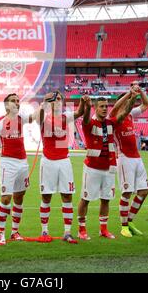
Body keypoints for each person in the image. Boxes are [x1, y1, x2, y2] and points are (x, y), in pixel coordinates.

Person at [37, 91, 87, 243]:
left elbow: (80, 112)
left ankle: (67, 232)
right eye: (54, 99)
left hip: (64, 160)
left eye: (59, 99)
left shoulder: (66, 117)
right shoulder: (44, 116)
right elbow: (39, 114)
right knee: (46, 197)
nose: (57, 101)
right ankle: (44, 231)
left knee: (67, 196)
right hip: (48, 161)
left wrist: (83, 101)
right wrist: (46, 101)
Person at [0, 93, 36, 245]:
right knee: (6, 198)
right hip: (7, 163)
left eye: (18, 101)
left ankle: (15, 232)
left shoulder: (21, 119)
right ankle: (1, 232)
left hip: (23, 162)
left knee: (19, 197)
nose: (16, 103)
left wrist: (44, 104)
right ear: (6, 105)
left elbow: (34, 117)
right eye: (13, 101)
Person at [109, 82, 148, 237]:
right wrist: (129, 94)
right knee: (127, 192)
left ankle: (130, 220)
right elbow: (115, 108)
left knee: (143, 191)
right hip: (124, 158)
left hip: (137, 158)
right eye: (127, 102)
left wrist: (140, 91)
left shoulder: (131, 114)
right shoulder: (113, 117)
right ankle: (124, 226)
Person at [77, 96, 117, 240]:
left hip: (109, 167)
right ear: (95, 108)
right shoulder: (90, 123)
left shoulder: (111, 123)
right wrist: (86, 106)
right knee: (85, 199)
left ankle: (103, 229)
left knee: (106, 199)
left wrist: (131, 97)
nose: (105, 108)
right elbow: (85, 118)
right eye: (101, 106)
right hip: (92, 167)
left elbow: (124, 112)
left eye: (106, 106)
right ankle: (81, 230)